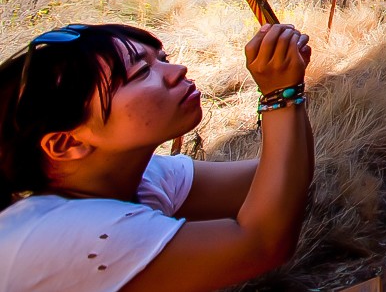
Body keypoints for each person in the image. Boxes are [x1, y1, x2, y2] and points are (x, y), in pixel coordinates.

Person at [0, 20, 315, 291]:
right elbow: (261, 245)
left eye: (163, 59)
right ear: (65, 144)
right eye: (140, 73)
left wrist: (290, 87)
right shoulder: (71, 234)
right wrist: (279, 95)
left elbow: (279, 178)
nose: (177, 71)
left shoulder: (142, 176)